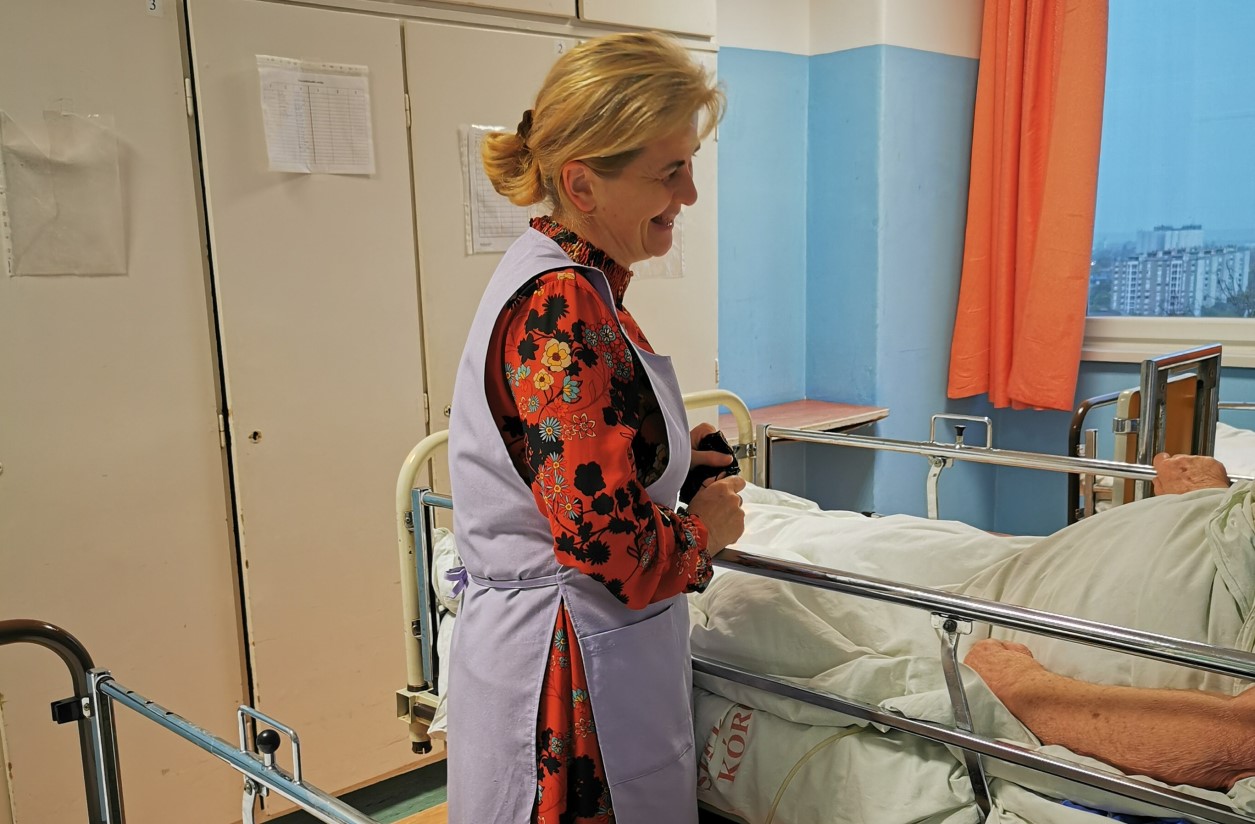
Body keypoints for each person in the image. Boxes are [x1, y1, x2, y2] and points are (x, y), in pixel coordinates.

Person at [445, 32, 745, 824]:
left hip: (573, 643)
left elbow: (579, 452)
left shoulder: (574, 281)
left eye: (690, 164)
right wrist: (704, 535)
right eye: (668, 171)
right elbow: (606, 542)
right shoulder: (561, 304)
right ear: (582, 183)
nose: (688, 194)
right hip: (565, 673)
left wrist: (671, 459)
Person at [966, 452, 1255, 791]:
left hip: (988, 638)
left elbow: (1237, 740)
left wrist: (1018, 686)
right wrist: (1214, 500)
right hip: (1014, 589)